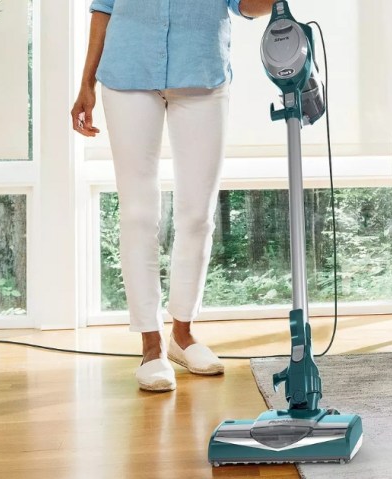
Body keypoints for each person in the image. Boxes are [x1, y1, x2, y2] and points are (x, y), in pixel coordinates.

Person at [72, 0, 278, 392]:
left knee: (197, 214)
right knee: (136, 213)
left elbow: (245, 6)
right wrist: (87, 82)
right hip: (128, 71)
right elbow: (103, 8)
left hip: (201, 71)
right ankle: (151, 345)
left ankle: (183, 334)